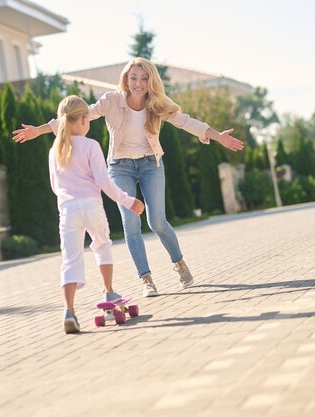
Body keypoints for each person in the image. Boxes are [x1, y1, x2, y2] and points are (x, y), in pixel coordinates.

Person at [13, 57, 245, 298]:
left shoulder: (157, 103)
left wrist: (218, 136)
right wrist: (38, 131)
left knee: (158, 222)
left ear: (151, 81)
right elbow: (78, 114)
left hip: (150, 164)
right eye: (133, 78)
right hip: (119, 166)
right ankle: (146, 279)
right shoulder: (111, 101)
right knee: (131, 223)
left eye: (144, 78)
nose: (138, 83)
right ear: (125, 79)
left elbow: (185, 121)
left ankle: (179, 263)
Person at [47, 95, 144, 334]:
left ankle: (69, 310)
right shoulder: (90, 145)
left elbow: (54, 187)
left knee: (70, 259)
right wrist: (128, 200)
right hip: (91, 205)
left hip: (67, 210)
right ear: (82, 119)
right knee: (102, 245)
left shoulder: (54, 150)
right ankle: (108, 289)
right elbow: (103, 181)